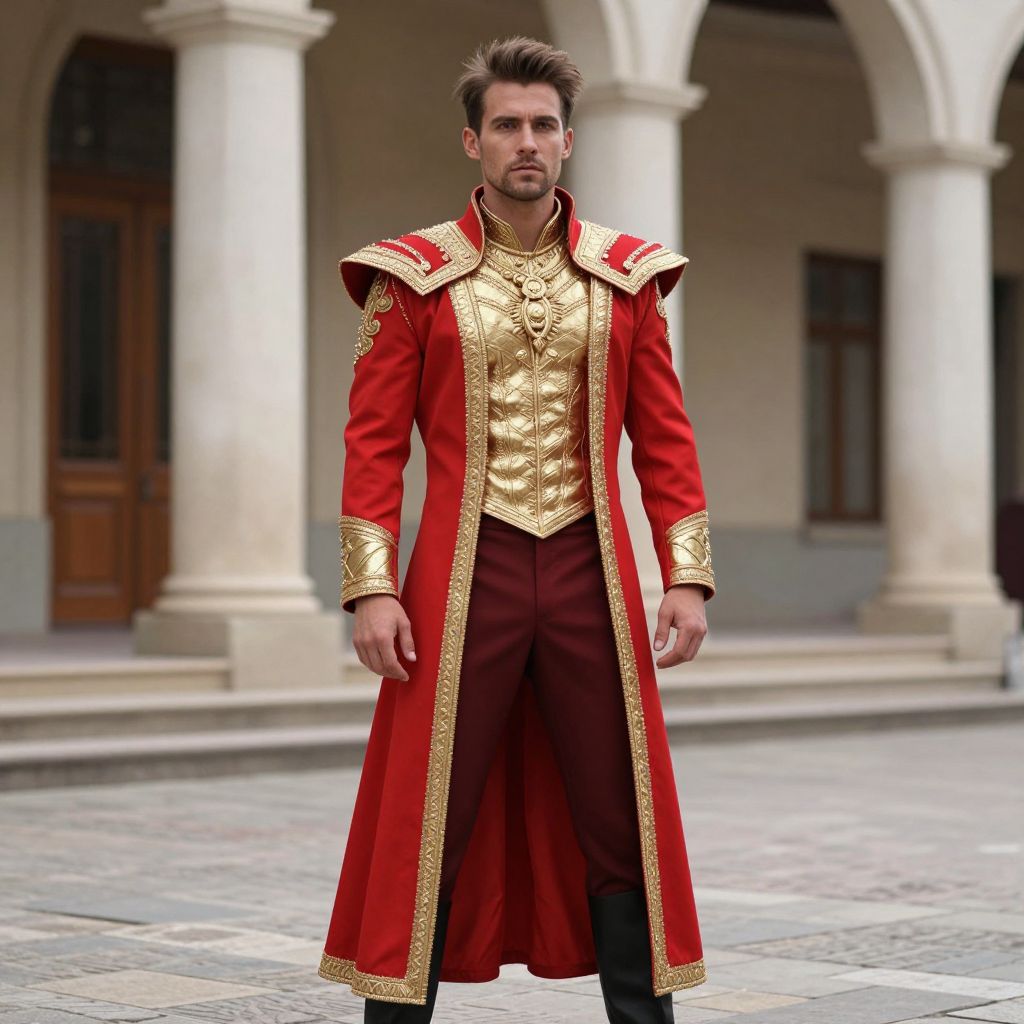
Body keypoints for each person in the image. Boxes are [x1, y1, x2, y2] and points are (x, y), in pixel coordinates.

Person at [318, 35, 716, 1024]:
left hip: (592, 571)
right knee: (430, 810)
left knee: (618, 807)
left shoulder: (626, 282)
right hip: (463, 574)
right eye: (507, 125)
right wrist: (370, 586)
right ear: (473, 141)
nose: (525, 142)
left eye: (542, 125)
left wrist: (686, 574)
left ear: (568, 141)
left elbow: (664, 439)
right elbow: (372, 446)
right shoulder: (410, 280)